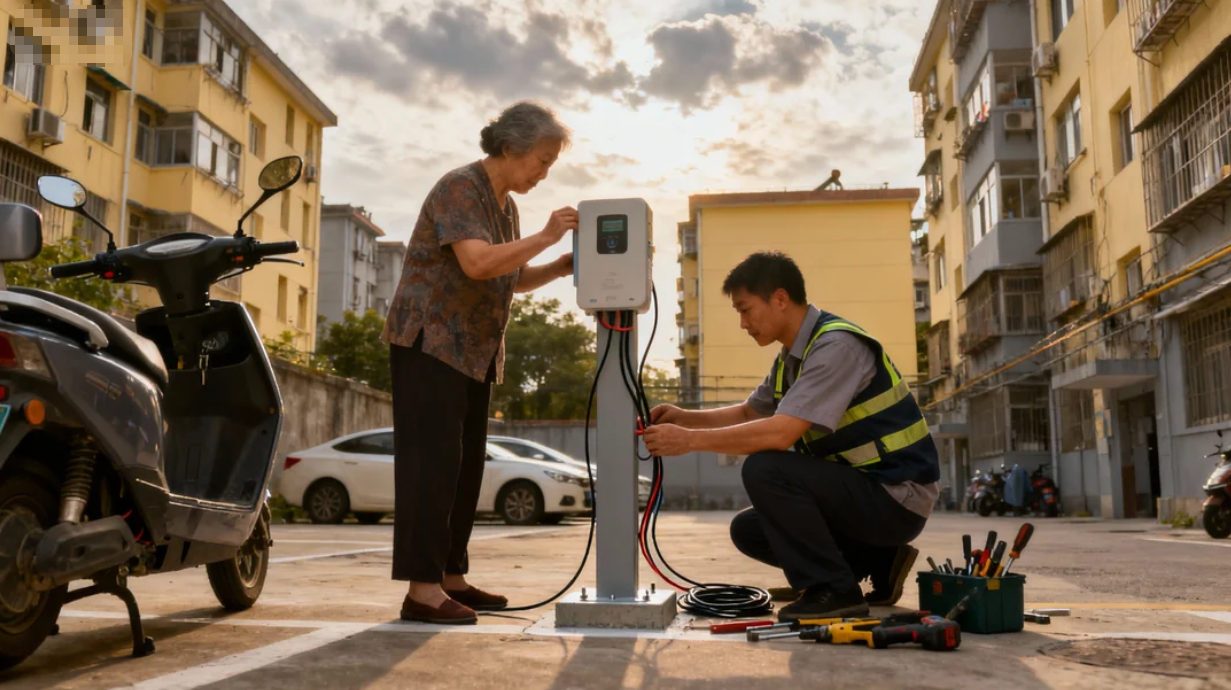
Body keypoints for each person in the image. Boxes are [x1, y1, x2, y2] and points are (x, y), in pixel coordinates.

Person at [643, 252, 940, 622]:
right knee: (749, 529)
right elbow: (751, 412)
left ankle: (835, 590)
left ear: (780, 299)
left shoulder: (836, 347)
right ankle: (877, 560)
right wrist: (687, 419)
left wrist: (687, 441)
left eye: (745, 309)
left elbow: (781, 433)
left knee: (766, 468)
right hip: (865, 496)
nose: (742, 323)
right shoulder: (791, 357)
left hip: (896, 497)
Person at [380, 101, 577, 625]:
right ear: (511, 147)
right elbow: (476, 262)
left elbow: (504, 274)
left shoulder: (505, 206)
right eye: (541, 159)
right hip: (431, 343)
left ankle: (450, 578)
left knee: (464, 470)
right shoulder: (460, 187)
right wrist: (547, 236)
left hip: (475, 353)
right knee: (432, 467)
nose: (543, 172)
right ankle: (420, 592)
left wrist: (556, 266)